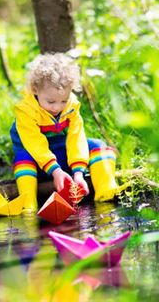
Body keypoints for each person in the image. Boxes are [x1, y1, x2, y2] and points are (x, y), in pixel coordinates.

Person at [10, 53, 120, 211]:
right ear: (35, 90)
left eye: (63, 100)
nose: (57, 107)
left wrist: (79, 173)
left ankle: (106, 192)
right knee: (22, 156)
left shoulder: (72, 106)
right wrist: (55, 171)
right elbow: (35, 145)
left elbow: (77, 138)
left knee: (98, 145)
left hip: (65, 157)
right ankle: (29, 206)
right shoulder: (25, 111)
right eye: (51, 101)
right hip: (39, 164)